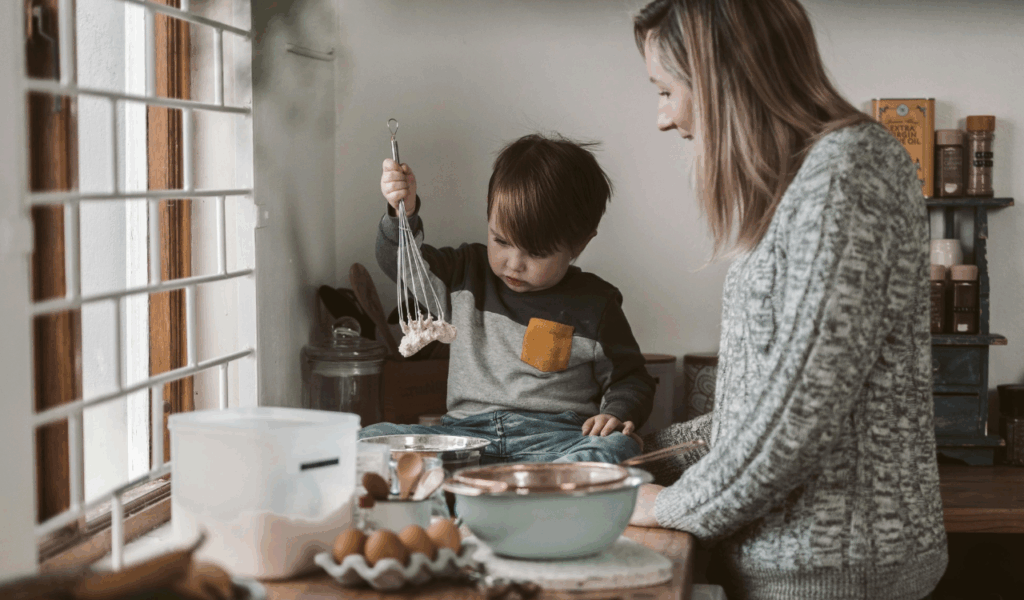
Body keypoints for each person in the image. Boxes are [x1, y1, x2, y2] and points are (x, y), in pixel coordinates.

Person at [626, 1, 948, 599]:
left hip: (837, 573)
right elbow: (766, 404)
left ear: (720, 79)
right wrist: (641, 459)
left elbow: (798, 415)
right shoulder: (805, 183)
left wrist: (669, 503)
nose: (663, 119)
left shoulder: (849, 171)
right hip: (801, 568)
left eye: (666, 90)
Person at [358, 134, 654, 465]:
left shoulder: (596, 305)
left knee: (618, 447)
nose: (513, 263)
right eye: (501, 241)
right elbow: (400, 263)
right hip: (465, 439)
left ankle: (543, 489)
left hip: (554, 443)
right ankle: (489, 490)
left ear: (580, 245)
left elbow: (631, 379)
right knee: (365, 439)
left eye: (536, 253)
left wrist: (617, 413)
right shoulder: (464, 273)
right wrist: (403, 213)